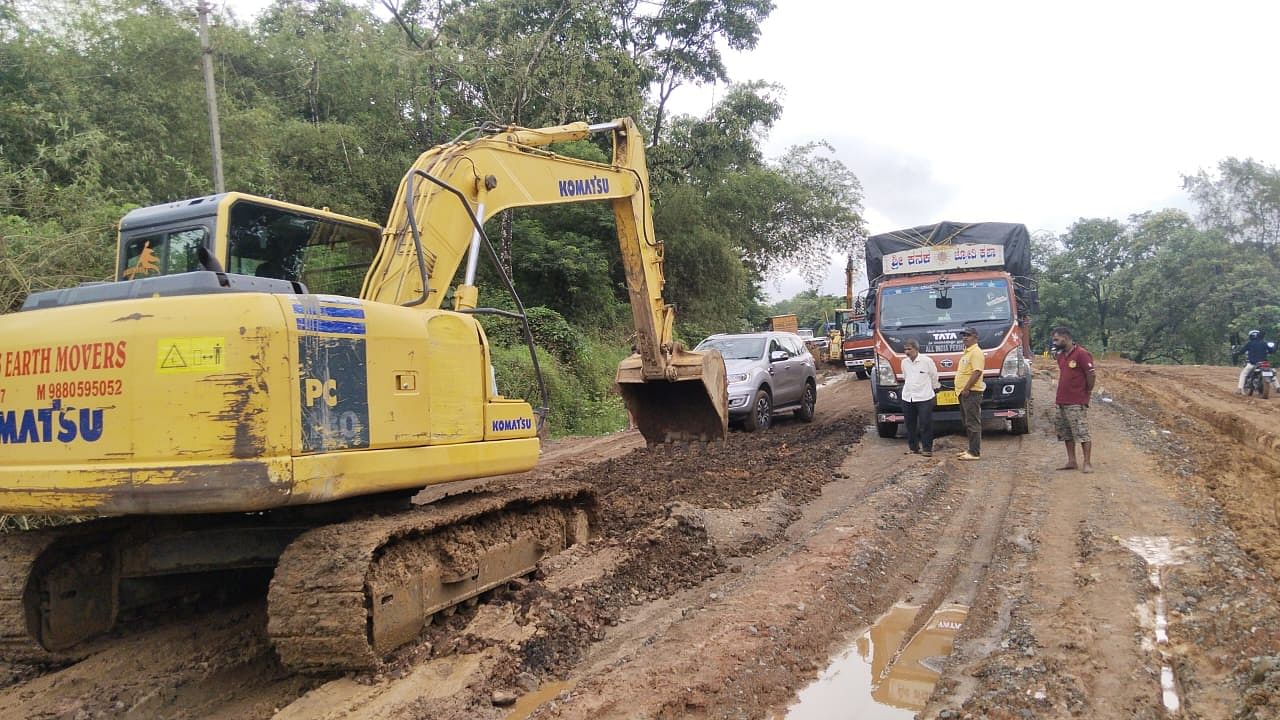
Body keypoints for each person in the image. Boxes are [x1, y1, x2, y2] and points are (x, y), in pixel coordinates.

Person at [1052, 326, 1095, 473]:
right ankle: (1071, 460)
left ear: (1066, 337)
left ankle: (1087, 462)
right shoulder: (1061, 355)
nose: (1055, 342)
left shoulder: (1082, 354)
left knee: (1082, 432)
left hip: (1076, 401)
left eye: (1057, 339)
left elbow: (1091, 375)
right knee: (1066, 432)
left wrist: (1086, 393)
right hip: (1062, 400)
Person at [900, 338, 940, 457]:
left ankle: (927, 449)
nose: (907, 352)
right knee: (910, 424)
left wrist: (933, 388)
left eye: (909, 349)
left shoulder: (926, 361)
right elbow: (905, 377)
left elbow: (934, 376)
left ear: (916, 349)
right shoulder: (904, 363)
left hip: (924, 397)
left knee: (925, 423)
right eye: (905, 349)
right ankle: (913, 448)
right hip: (908, 397)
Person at [955, 326, 985, 461]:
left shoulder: (976, 352)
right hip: (964, 393)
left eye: (968, 335)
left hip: (971, 393)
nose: (965, 337)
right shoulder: (967, 352)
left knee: (973, 422)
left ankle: (974, 452)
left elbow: (977, 372)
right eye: (964, 335)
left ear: (975, 337)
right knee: (967, 422)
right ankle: (970, 449)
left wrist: (967, 388)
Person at [1235, 329, 1274, 394]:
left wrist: (1236, 353)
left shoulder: (1250, 343)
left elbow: (1242, 351)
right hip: (1264, 363)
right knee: (1272, 373)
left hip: (1253, 364)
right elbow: (1271, 351)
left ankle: (1239, 389)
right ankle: (1278, 387)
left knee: (1243, 374)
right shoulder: (1264, 343)